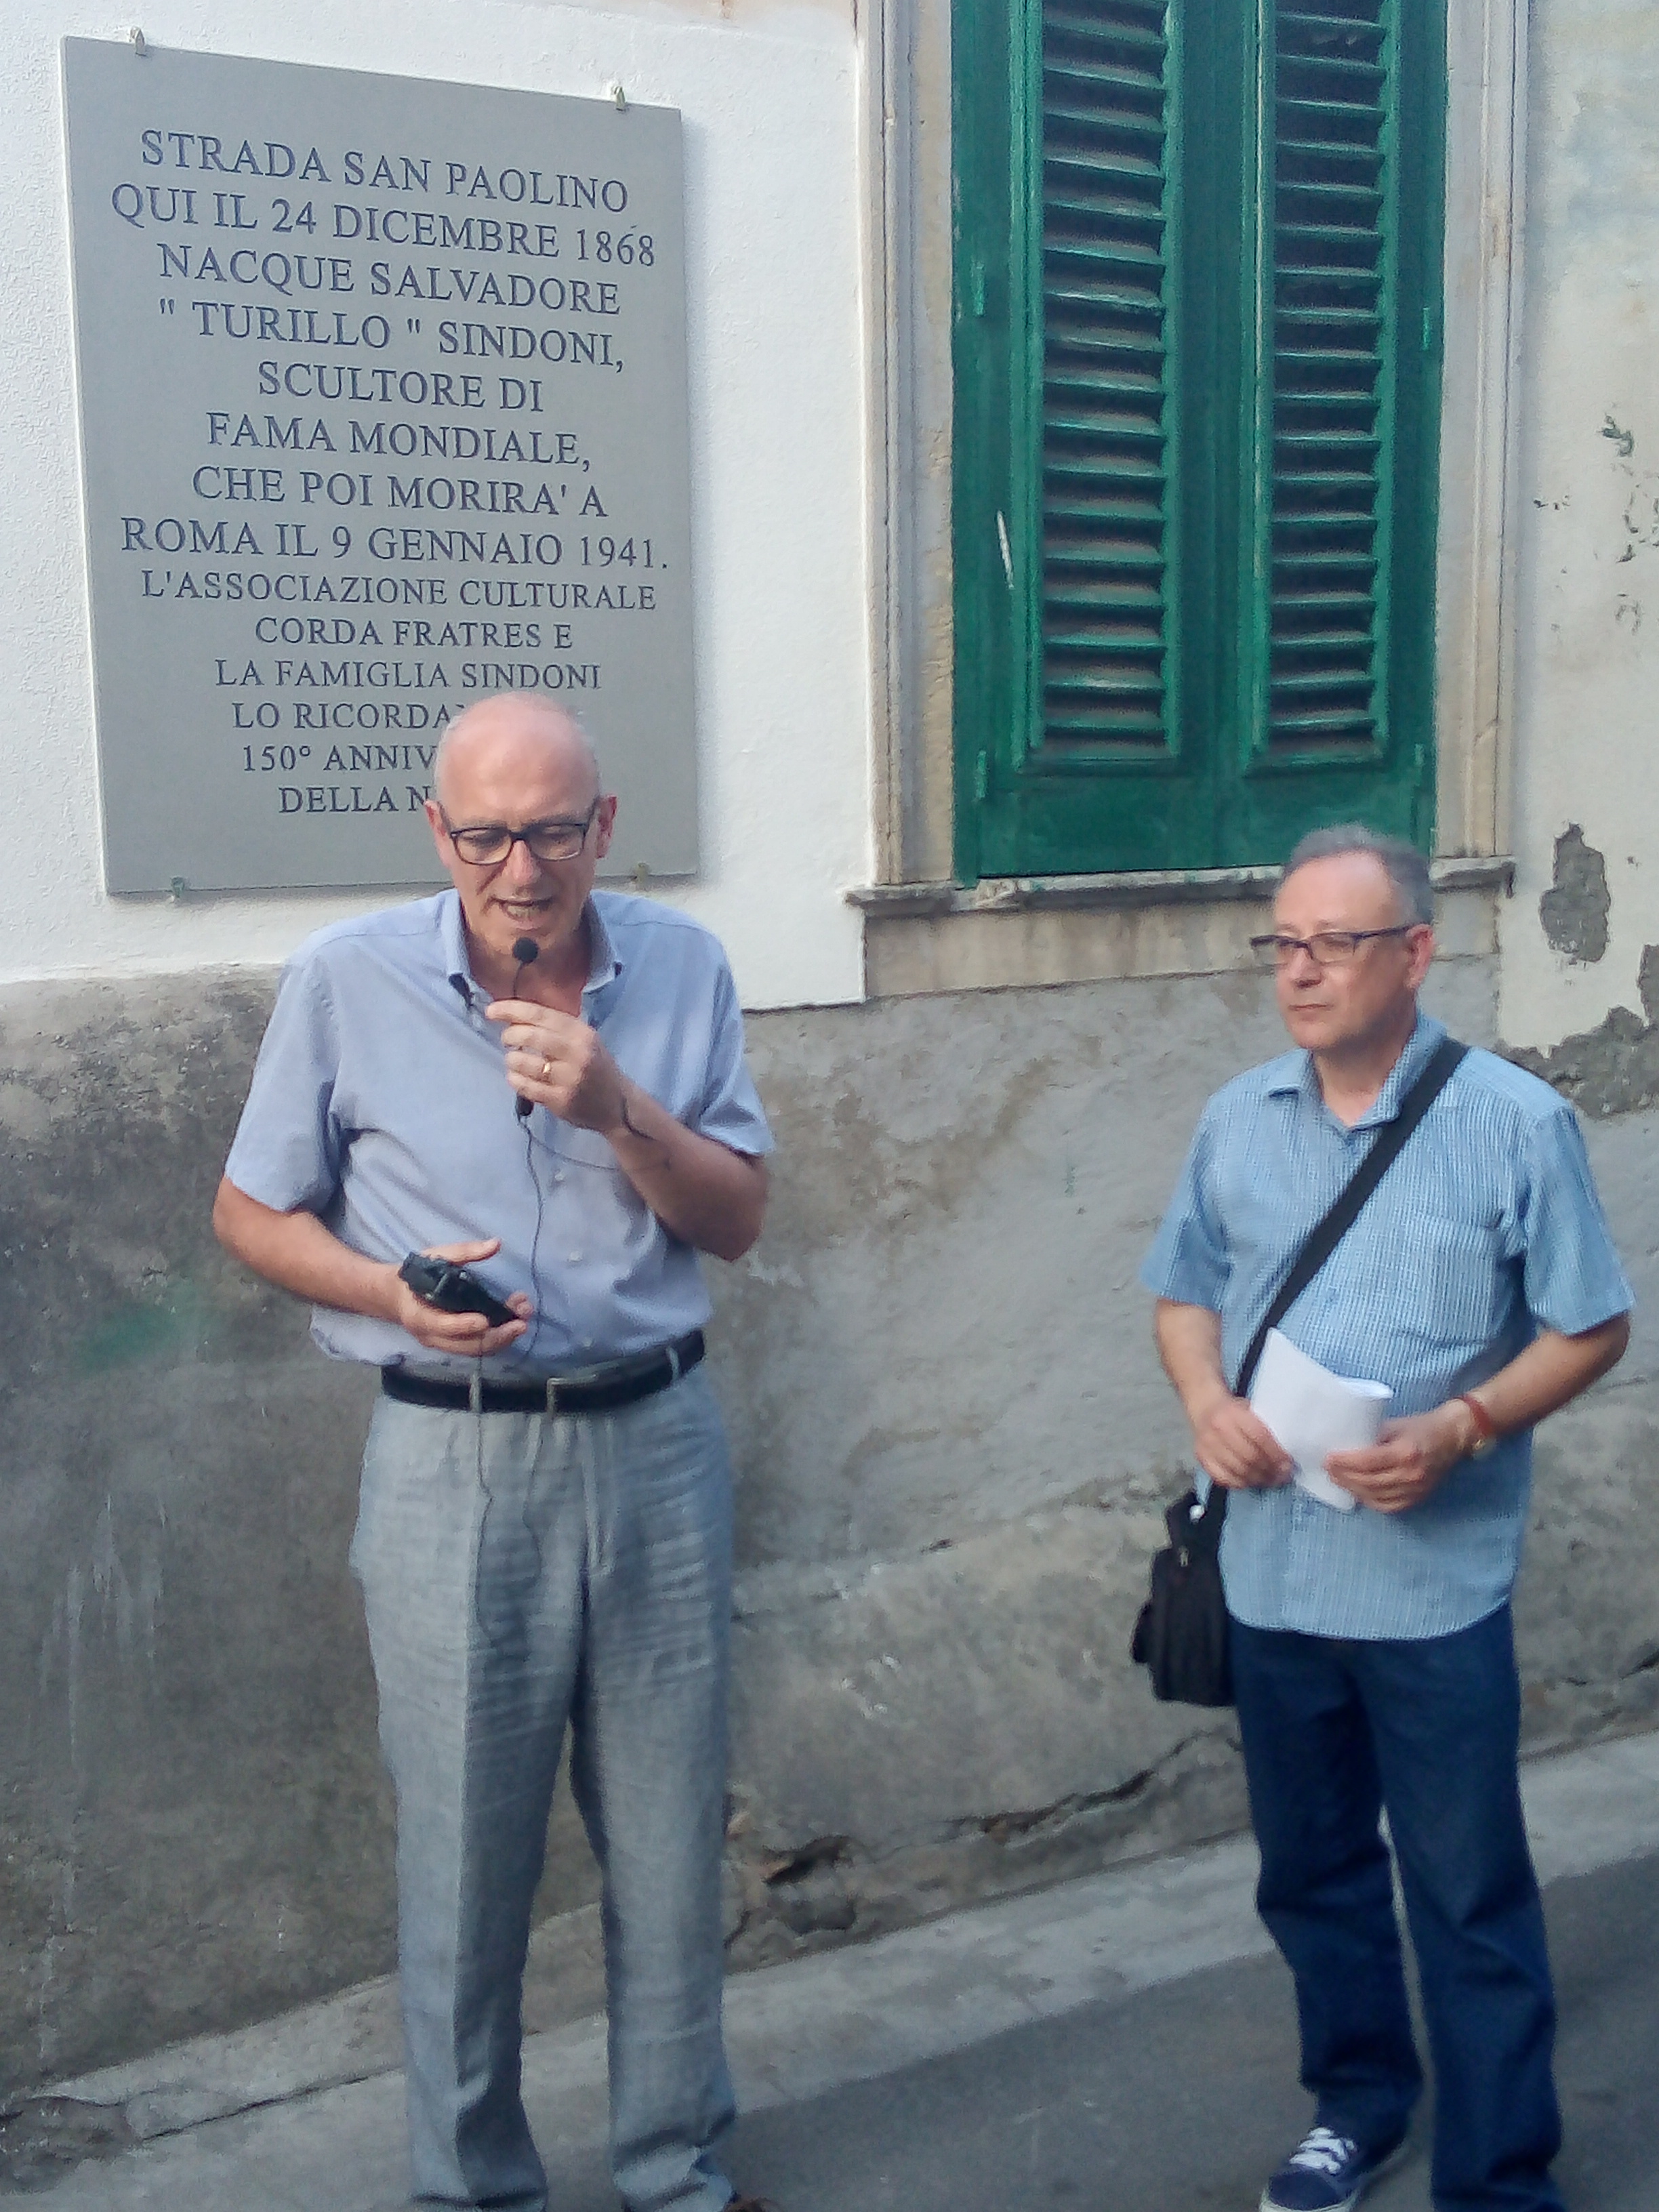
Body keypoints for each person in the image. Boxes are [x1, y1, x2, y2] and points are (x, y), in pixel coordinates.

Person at [213, 693, 774, 2212]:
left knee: (668, 1851)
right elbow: (252, 1213)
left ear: (602, 826)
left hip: (657, 1444)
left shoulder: (689, 970)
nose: (519, 871)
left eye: (549, 832)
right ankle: (471, 2189)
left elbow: (734, 1218)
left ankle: (674, 2172)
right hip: (450, 1465)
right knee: (463, 1870)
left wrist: (618, 1106)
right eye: (484, 837)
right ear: (437, 832)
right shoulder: (348, 981)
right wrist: (389, 1293)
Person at [1141, 825, 1632, 2212]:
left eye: (1334, 944)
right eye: (1282, 944)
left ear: (1414, 954)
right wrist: (1204, 1403)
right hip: (1273, 1574)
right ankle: (1358, 2105)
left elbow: (1591, 1326)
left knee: (1468, 1892)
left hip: (1433, 1593)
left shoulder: (1513, 1124)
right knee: (1312, 1876)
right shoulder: (1240, 1118)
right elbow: (1183, 1292)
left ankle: (1499, 2176)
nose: (1300, 973)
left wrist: (1467, 1425)